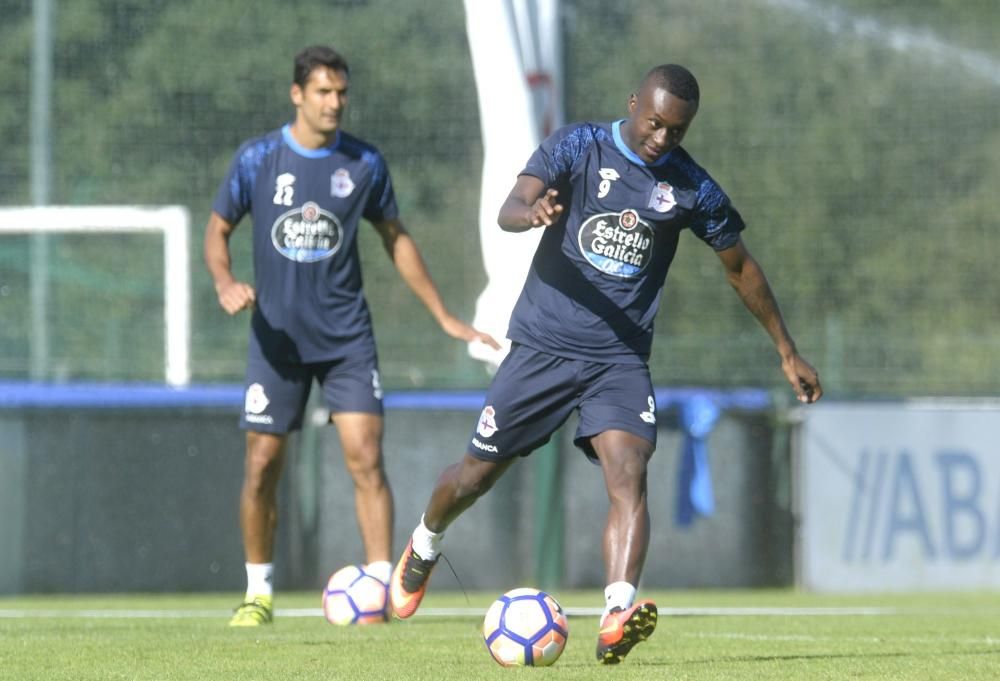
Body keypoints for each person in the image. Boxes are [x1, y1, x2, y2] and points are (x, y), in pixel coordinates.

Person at [389, 64, 822, 663]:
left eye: (676, 129)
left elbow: (739, 267)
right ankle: (424, 543)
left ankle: (617, 610)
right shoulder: (579, 145)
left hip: (618, 359)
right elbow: (510, 208)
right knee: (474, 477)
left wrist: (787, 349)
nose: (662, 138)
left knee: (629, 469)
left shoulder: (692, 187)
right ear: (633, 103)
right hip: (542, 347)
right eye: (654, 123)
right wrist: (533, 214)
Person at [204, 45, 498, 627]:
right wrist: (225, 280)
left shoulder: (363, 163)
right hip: (276, 342)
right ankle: (258, 593)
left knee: (366, 457)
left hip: (345, 339)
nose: (335, 102)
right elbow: (217, 231)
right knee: (263, 463)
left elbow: (397, 237)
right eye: (322, 92)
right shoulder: (258, 159)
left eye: (342, 92)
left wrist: (443, 314)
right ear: (297, 94)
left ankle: (381, 593)